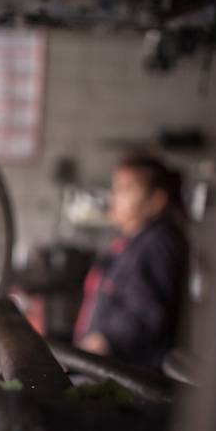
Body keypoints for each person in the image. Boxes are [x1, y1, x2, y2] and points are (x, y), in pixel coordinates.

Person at [74, 154, 189, 369]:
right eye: (115, 188)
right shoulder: (133, 242)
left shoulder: (158, 243)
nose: (113, 197)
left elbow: (144, 313)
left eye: (125, 189)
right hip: (102, 367)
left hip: (127, 378)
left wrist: (101, 344)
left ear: (155, 201)